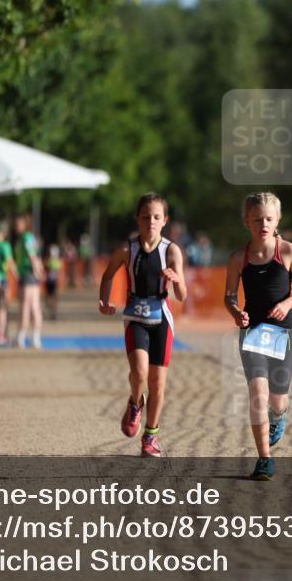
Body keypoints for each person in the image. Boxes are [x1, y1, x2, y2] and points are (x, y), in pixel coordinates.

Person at [224, 192, 292, 481]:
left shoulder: (288, 252)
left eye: (269, 219)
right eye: (257, 219)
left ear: (277, 221)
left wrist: (286, 304)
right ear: (247, 221)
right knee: (258, 394)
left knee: (277, 399)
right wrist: (237, 313)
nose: (264, 223)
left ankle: (280, 416)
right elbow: (229, 296)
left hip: (285, 333)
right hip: (252, 334)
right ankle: (265, 458)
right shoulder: (239, 257)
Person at [99, 193, 187, 458]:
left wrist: (176, 280)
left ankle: (151, 435)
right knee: (138, 373)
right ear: (138, 218)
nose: (151, 221)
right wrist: (104, 300)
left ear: (165, 221)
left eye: (157, 217)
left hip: (161, 318)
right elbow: (107, 275)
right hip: (135, 315)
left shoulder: (171, 251)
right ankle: (135, 402)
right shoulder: (128, 249)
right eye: (146, 216)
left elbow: (182, 295)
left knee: (158, 383)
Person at [13, 213, 44, 349]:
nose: (16, 226)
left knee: (28, 307)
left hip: (28, 274)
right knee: (31, 306)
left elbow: (33, 256)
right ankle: (32, 337)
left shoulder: (27, 237)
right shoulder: (23, 238)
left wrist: (37, 271)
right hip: (26, 274)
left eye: (18, 224)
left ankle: (23, 336)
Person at [44, 243, 63, 320]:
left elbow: (56, 269)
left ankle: (53, 311)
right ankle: (52, 309)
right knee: (50, 296)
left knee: (53, 296)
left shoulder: (52, 261)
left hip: (53, 281)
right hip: (50, 281)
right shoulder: (54, 261)